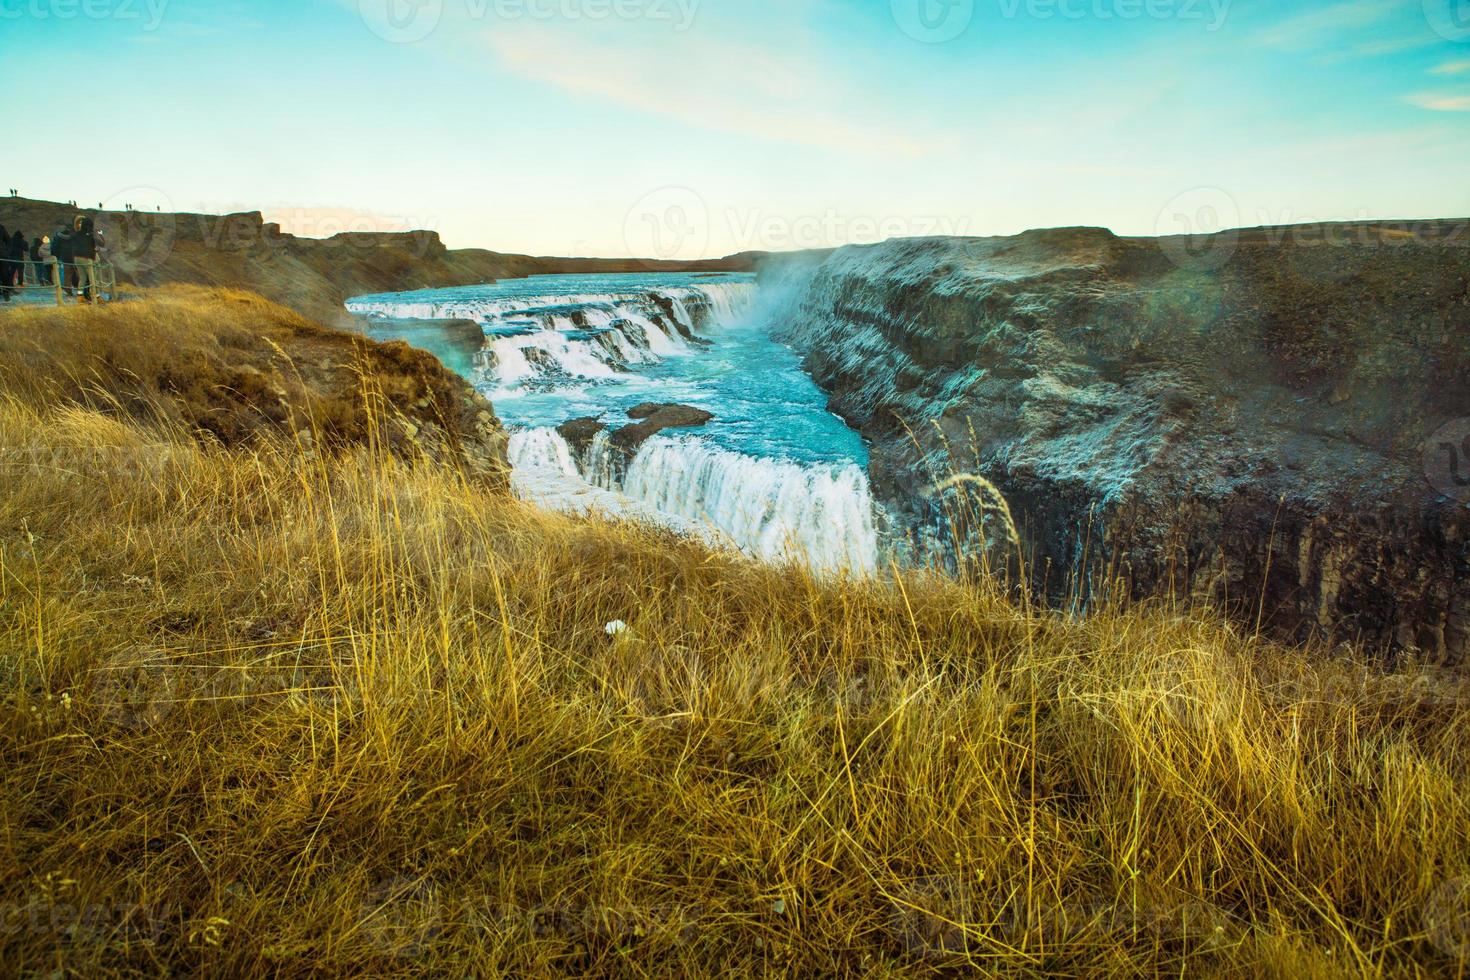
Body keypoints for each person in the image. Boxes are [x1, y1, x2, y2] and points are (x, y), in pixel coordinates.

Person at [73, 216, 99, 303]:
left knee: (82, 277)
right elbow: (97, 245)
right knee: (92, 278)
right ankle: (96, 297)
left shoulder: (77, 234)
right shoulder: (91, 234)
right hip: (87, 258)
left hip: (77, 258)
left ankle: (80, 296)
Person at [52, 224, 75, 297]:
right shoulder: (75, 235)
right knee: (80, 275)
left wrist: (56, 256)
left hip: (64, 257)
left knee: (66, 275)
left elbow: (55, 247)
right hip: (75, 256)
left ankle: (68, 291)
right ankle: (81, 292)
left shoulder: (59, 236)